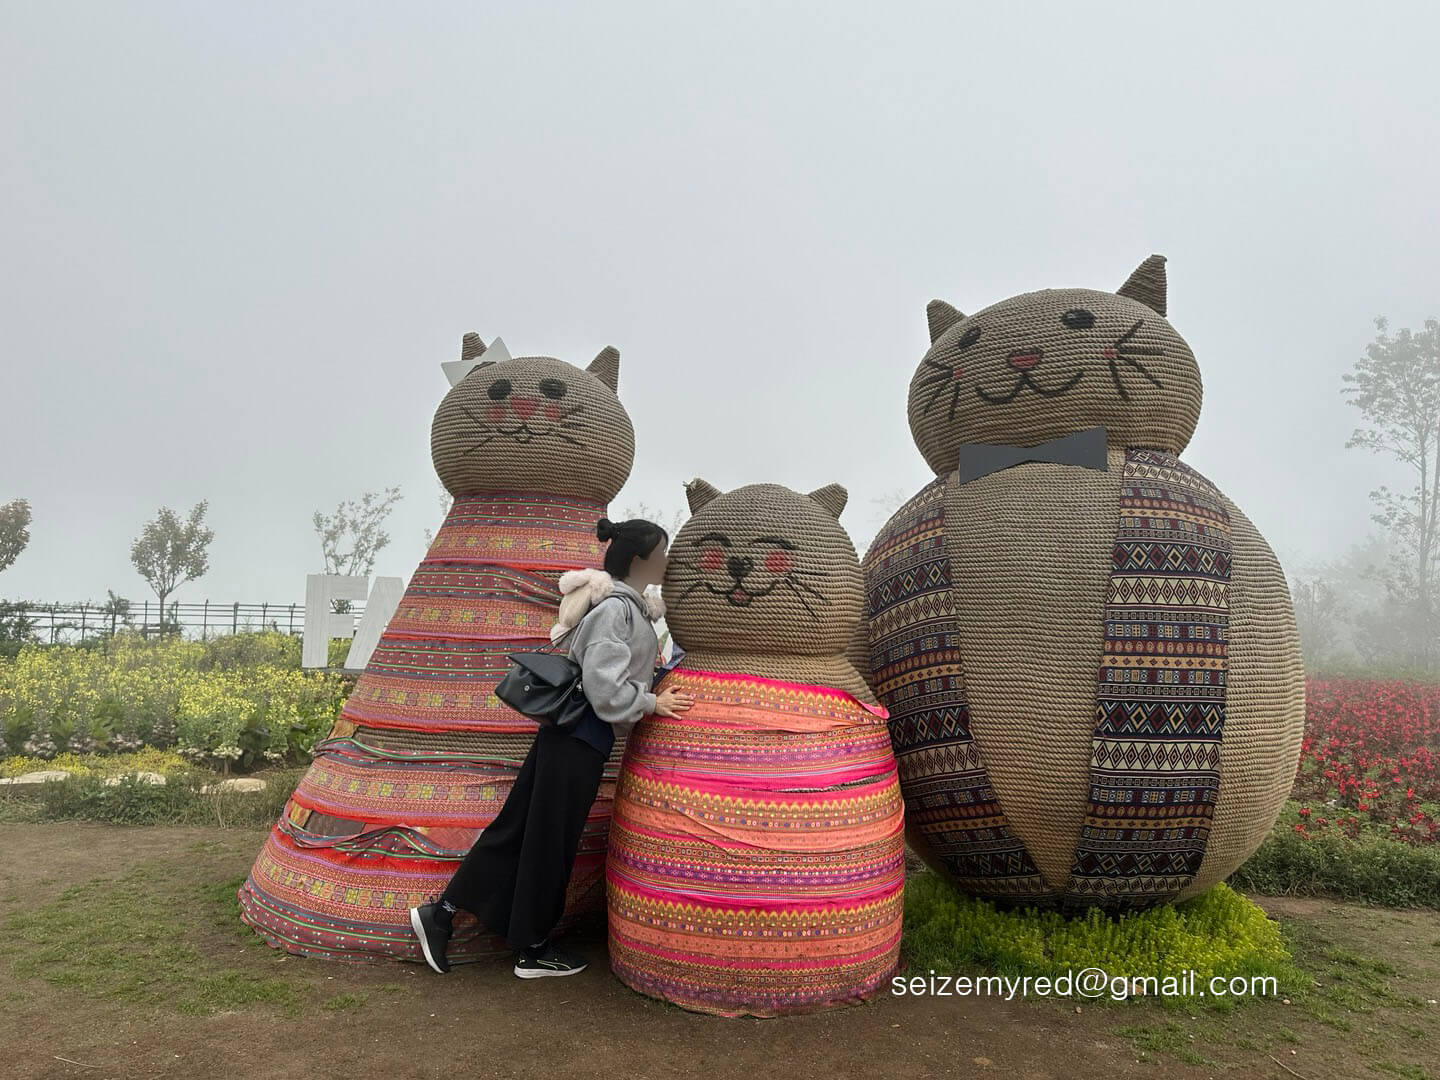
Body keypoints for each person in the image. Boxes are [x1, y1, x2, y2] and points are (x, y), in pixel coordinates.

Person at [408, 516, 695, 978]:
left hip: (566, 736)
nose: (667, 561)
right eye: (662, 553)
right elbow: (604, 689)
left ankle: (441, 914)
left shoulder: (625, 607)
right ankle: (532, 948)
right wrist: (652, 703)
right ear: (640, 560)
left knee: (519, 830)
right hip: (579, 740)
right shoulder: (616, 610)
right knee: (550, 843)